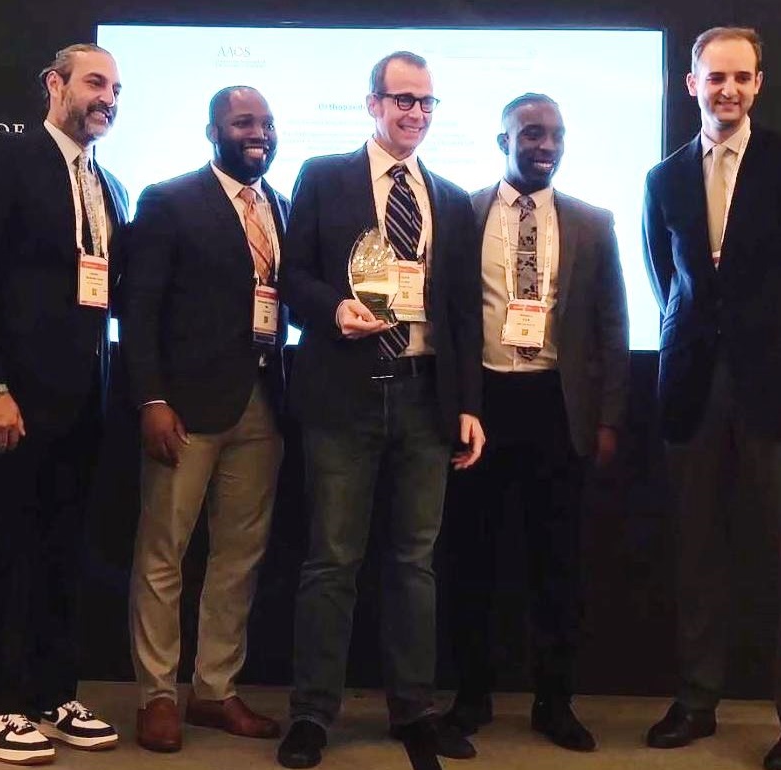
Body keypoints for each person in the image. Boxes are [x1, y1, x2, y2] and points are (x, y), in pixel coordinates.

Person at [641, 26, 781, 770]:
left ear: (759, 84)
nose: (727, 89)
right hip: (693, 387)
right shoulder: (664, 178)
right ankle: (696, 701)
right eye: (715, 77)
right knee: (697, 554)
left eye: (741, 77)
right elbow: (666, 279)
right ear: (691, 85)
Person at [276, 51, 485, 769]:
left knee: (414, 563)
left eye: (426, 102)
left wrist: (469, 405)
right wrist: (333, 308)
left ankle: (413, 710)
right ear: (372, 104)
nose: (415, 114)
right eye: (402, 100)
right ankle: (311, 714)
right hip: (343, 394)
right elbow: (291, 277)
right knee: (331, 560)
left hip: (426, 397)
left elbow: (463, 313)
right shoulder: (322, 176)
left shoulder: (449, 197)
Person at [0, 43, 129, 765]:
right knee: (3, 552)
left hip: (81, 404)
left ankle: (52, 695)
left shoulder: (108, 184)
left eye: (116, 88)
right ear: (55, 85)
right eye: (95, 82)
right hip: (11, 401)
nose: (107, 97)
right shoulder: (6, 160)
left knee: (61, 553)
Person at [442, 93, 629, 752]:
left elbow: (612, 324)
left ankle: (555, 703)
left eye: (555, 135)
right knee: (472, 560)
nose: (545, 145)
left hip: (558, 406)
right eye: (530, 133)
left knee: (558, 565)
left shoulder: (593, 223)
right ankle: (471, 696)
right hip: (482, 406)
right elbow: (448, 317)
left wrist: (608, 418)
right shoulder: (461, 213)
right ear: (504, 141)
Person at [123, 85, 289, 753]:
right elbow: (138, 310)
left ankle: (214, 691)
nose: (259, 133)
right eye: (244, 122)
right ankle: (158, 696)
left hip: (264, 404)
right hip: (185, 410)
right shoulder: (169, 200)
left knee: (238, 557)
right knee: (163, 553)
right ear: (213, 131)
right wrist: (151, 399)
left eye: (267, 123)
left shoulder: (280, 205)